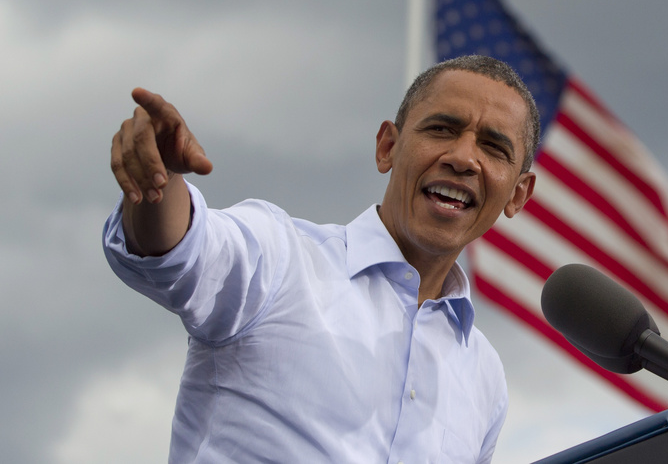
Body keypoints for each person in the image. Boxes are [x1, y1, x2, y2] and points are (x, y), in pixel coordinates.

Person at [103, 54, 539, 463]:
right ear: (387, 147)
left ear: (517, 194)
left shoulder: (485, 377)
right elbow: (182, 251)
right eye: (442, 129)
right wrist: (159, 183)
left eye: (493, 148)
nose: (463, 158)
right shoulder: (281, 257)